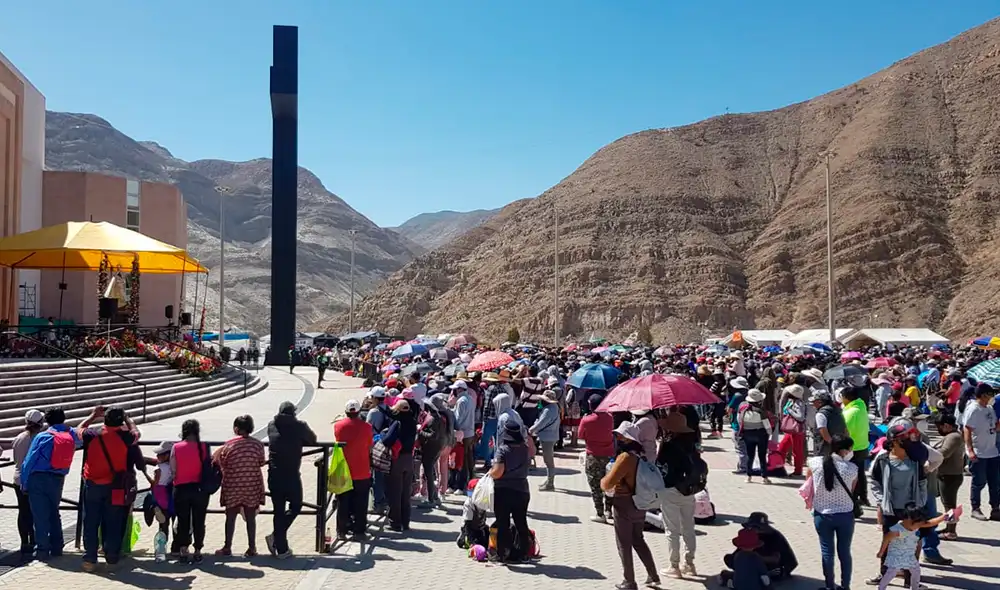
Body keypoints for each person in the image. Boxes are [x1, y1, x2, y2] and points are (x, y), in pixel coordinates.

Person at [21, 406, 99, 560]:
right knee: (54, 512)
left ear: (47, 421)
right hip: (58, 478)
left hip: (39, 478)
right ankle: (58, 546)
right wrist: (92, 416)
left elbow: (29, 462)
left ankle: (42, 551)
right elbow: (81, 430)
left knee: (40, 515)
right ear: (63, 419)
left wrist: (24, 483)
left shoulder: (43, 437)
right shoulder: (69, 434)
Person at [79, 407, 142, 571]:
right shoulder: (126, 436)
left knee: (91, 522)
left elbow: (79, 429)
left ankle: (90, 560)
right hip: (116, 485)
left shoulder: (92, 435)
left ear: (104, 420)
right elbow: (136, 432)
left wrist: (93, 415)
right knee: (113, 521)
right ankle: (111, 559)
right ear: (120, 421)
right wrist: (129, 419)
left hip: (92, 484)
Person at [867, 420, 928, 586]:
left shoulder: (914, 461)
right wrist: (881, 500)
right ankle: (883, 575)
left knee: (911, 545)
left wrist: (920, 502)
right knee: (888, 542)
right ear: (894, 441)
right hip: (891, 510)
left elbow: (922, 483)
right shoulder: (883, 460)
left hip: (911, 511)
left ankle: (910, 580)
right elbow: (874, 482)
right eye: (904, 437)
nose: (908, 440)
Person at [601, 421, 660, 590]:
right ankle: (653, 575)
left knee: (623, 543)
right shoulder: (641, 455)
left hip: (624, 503)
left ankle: (629, 581)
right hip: (640, 503)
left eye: (619, 435)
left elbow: (607, 484)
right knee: (638, 539)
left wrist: (603, 481)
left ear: (627, 438)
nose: (617, 437)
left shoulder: (625, 457)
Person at [266, 401, 317, 558]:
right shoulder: (299, 425)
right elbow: (313, 439)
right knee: (296, 505)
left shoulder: (271, 424)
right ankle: (277, 539)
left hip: (274, 473)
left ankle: (280, 547)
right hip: (291, 474)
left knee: (278, 511)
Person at [807, 436, 857, 590]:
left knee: (827, 552)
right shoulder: (852, 469)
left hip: (822, 514)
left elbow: (809, 483)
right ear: (844, 450)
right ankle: (845, 586)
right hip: (845, 515)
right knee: (845, 552)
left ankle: (829, 586)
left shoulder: (814, 463)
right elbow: (852, 490)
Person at [213, 415, 266, 557]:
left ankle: (227, 547)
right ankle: (252, 548)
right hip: (252, 484)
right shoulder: (258, 444)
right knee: (250, 517)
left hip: (233, 485)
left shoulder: (229, 445)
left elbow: (222, 462)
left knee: (230, 516)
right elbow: (261, 462)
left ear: (236, 428)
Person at [656, 411, 701, 578]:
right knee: (689, 527)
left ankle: (674, 566)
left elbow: (661, 467)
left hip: (670, 489)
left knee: (672, 530)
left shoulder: (669, 445)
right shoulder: (692, 444)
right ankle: (689, 563)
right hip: (688, 489)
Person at [875, 503, 951, 590]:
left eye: (920, 524)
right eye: (918, 524)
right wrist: (881, 552)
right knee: (891, 573)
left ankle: (915, 587)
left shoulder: (916, 524)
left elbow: (930, 523)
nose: (919, 526)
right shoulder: (897, 530)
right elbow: (886, 539)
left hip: (909, 555)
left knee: (916, 571)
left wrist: (943, 517)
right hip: (896, 556)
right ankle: (881, 588)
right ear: (908, 520)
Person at [489, 421, 533, 564]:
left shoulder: (503, 450)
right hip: (522, 489)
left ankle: (503, 553)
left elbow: (498, 472)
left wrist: (490, 472)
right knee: (521, 522)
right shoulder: (525, 447)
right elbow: (533, 452)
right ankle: (524, 553)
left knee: (503, 523)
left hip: (504, 491)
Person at [333, 399, 374, 540]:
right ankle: (359, 530)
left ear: (346, 412)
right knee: (361, 502)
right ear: (359, 412)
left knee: (343, 502)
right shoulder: (367, 427)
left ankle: (341, 531)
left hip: (343, 469)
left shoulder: (338, 426)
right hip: (362, 470)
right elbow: (370, 445)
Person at [171, 419, 210, 563]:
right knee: (199, 521)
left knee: (183, 521)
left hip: (181, 488)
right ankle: (198, 550)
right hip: (200, 489)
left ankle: (183, 550)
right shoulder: (204, 447)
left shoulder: (176, 447)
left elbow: (173, 471)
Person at [10, 409, 44, 558]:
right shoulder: (39, 439)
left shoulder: (19, 438)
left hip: (17, 479)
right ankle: (35, 540)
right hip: (33, 479)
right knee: (34, 511)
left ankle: (25, 542)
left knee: (23, 511)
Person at [962, 383, 1000, 521]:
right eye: (990, 394)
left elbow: (994, 427)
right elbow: (967, 429)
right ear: (984, 395)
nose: (992, 397)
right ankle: (975, 508)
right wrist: (970, 450)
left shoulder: (989, 408)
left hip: (992, 451)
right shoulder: (973, 409)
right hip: (979, 452)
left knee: (995, 483)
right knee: (979, 482)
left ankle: (995, 508)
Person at [382, 399, 418, 532]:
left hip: (397, 459)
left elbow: (387, 440)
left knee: (395, 492)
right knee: (406, 492)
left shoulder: (397, 423)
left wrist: (383, 433)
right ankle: (405, 521)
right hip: (409, 459)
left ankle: (395, 522)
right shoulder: (413, 422)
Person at [578, 395, 614, 523]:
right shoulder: (610, 418)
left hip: (593, 455)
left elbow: (580, 435)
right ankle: (609, 509)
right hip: (609, 455)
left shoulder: (587, 420)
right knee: (610, 482)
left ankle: (600, 513)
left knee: (595, 486)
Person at [933, 413, 964, 540]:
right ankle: (948, 528)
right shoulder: (952, 435)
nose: (938, 430)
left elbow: (944, 452)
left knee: (949, 505)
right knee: (948, 504)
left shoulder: (953, 437)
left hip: (950, 475)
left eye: (939, 427)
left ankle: (951, 532)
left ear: (946, 425)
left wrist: (929, 452)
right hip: (948, 474)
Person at [840, 387, 871, 506]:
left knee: (852, 474)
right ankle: (863, 497)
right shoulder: (861, 407)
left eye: (842, 397)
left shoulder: (850, 413)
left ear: (847, 398)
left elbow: (844, 430)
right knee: (860, 473)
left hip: (853, 447)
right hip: (863, 445)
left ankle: (853, 498)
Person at [737, 389, 773, 484]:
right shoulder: (761, 411)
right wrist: (769, 434)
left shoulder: (742, 409)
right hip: (761, 434)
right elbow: (767, 426)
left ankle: (749, 476)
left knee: (750, 455)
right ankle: (764, 477)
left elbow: (739, 421)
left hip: (748, 434)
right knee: (762, 456)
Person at [529, 390, 562, 491]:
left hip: (547, 437)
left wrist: (531, 430)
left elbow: (541, 423)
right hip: (551, 436)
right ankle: (549, 481)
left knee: (548, 460)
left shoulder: (548, 410)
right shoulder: (554, 407)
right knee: (548, 460)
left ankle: (550, 483)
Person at [365, 386, 390, 511]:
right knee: (385, 474)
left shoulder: (373, 412)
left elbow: (367, 430)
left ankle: (378, 502)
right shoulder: (389, 410)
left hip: (376, 446)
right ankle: (384, 500)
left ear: (375, 398)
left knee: (377, 475)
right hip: (387, 445)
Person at [451, 380, 476, 491]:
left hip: (463, 434)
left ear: (460, 389)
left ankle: (462, 485)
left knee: (461, 460)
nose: (453, 391)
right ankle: (469, 481)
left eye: (455, 389)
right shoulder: (470, 398)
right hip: (470, 433)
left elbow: (458, 420)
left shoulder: (461, 401)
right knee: (468, 459)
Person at [776, 385, 807, 476]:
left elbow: (800, 417)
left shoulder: (799, 403)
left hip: (796, 430)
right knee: (782, 448)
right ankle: (779, 467)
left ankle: (798, 471)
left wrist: (790, 410)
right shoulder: (792, 401)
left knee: (796, 451)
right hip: (791, 430)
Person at [728, 376, 750, 473]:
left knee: (740, 447)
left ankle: (743, 467)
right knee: (745, 446)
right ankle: (746, 465)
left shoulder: (737, 396)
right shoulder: (749, 395)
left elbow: (729, 408)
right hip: (748, 423)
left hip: (737, 424)